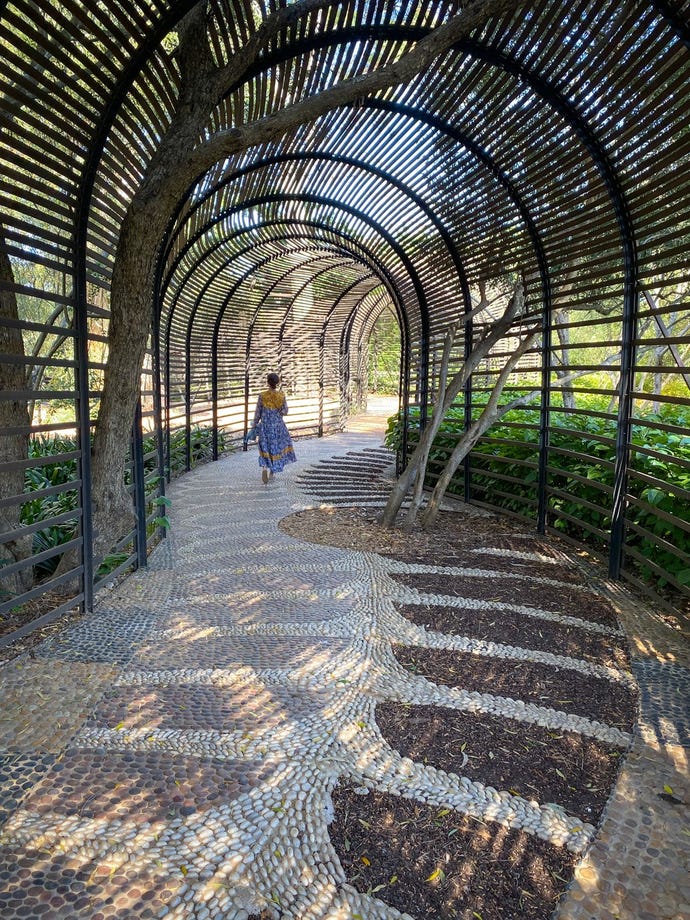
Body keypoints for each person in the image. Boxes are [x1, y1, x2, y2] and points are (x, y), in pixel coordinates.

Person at [252, 372, 296, 483]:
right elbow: (285, 411)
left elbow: (258, 412)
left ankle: (264, 468)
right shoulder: (281, 395)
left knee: (264, 447)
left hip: (265, 427)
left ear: (267, 382)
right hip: (278, 427)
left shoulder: (262, 396)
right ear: (277, 383)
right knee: (276, 448)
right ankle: (272, 472)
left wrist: (254, 424)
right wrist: (279, 412)